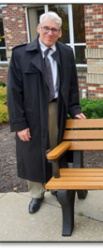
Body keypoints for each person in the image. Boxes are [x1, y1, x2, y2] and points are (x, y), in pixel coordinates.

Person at [7, 11, 86, 214]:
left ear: (60, 33)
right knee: (33, 152)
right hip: (31, 113)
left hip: (56, 109)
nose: (50, 33)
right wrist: (19, 123)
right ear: (38, 29)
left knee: (56, 149)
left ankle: (56, 185)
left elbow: (72, 86)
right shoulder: (21, 54)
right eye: (46, 28)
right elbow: (13, 92)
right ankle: (36, 193)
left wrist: (74, 109)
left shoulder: (66, 53)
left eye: (55, 30)